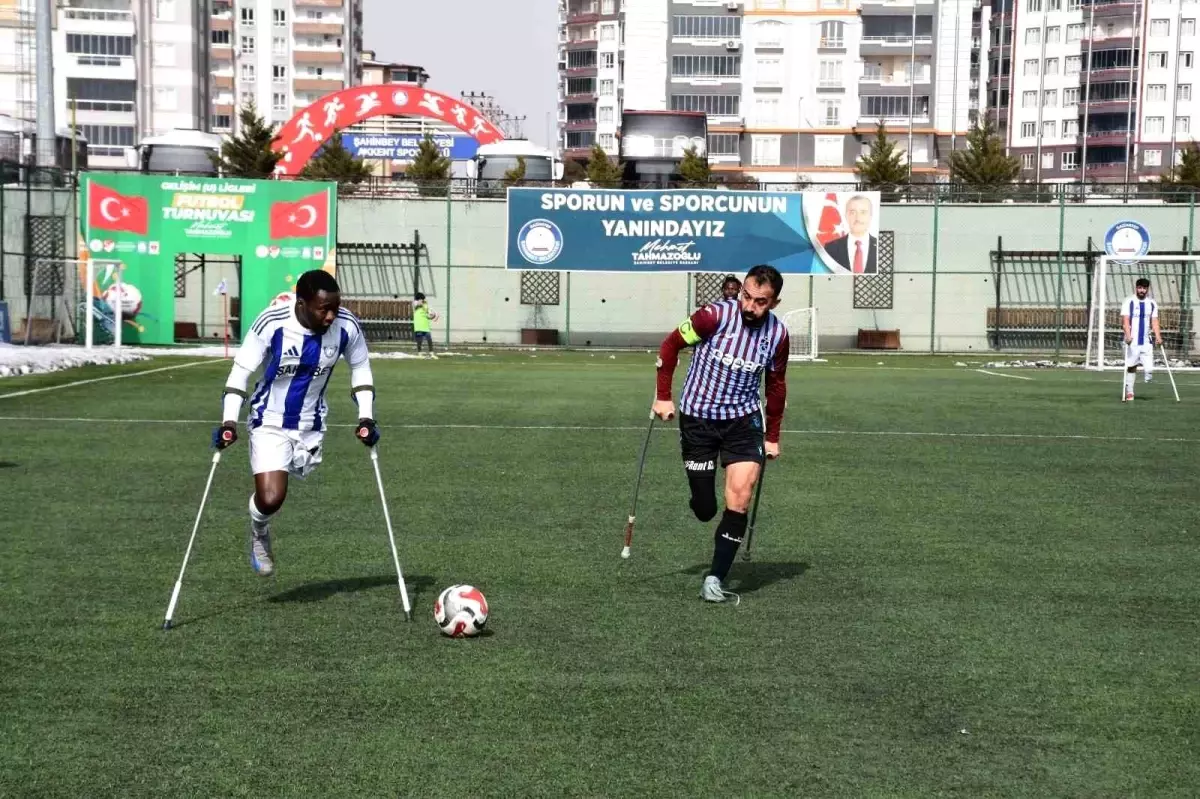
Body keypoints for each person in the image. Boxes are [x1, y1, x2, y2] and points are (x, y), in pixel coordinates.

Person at [212, 269, 379, 576]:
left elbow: (361, 368)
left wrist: (366, 415)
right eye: (323, 309)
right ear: (302, 303)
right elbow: (240, 372)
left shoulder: (346, 326)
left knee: (285, 485)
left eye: (335, 308)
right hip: (269, 419)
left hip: (312, 422)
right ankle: (259, 532)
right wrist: (228, 421)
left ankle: (263, 519)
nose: (331, 316)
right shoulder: (272, 322)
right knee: (272, 497)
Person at [653, 264, 790, 604]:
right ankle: (701, 500)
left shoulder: (778, 335)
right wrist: (663, 396)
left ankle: (715, 577)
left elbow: (776, 386)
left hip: (742, 423)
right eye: (747, 296)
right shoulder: (713, 316)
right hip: (698, 419)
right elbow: (670, 345)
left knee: (740, 495)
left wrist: (772, 435)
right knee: (704, 508)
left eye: (760, 301)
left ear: (773, 303)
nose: (750, 306)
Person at [1121, 277, 1162, 402]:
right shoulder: (1129, 302)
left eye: (1144, 288)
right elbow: (1125, 320)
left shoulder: (1152, 303)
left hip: (1146, 341)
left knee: (1149, 368)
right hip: (1132, 340)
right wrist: (1128, 336)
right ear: (1136, 288)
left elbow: (1154, 322)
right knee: (1131, 366)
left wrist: (1158, 337)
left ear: (1147, 289)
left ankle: (1148, 377)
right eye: (1140, 288)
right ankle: (1130, 392)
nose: (1142, 290)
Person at [824, 194, 878, 274]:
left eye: (863, 212)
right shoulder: (830, 248)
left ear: (870, 216)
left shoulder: (880, 245)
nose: (858, 218)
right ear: (846, 216)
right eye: (852, 212)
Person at [413, 292, 438, 357]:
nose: (424, 299)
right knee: (419, 340)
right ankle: (419, 353)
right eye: (423, 298)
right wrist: (423, 302)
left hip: (425, 324)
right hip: (418, 324)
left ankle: (431, 352)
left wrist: (432, 316)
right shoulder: (415, 302)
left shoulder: (426, 304)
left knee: (429, 338)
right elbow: (418, 304)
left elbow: (427, 315)